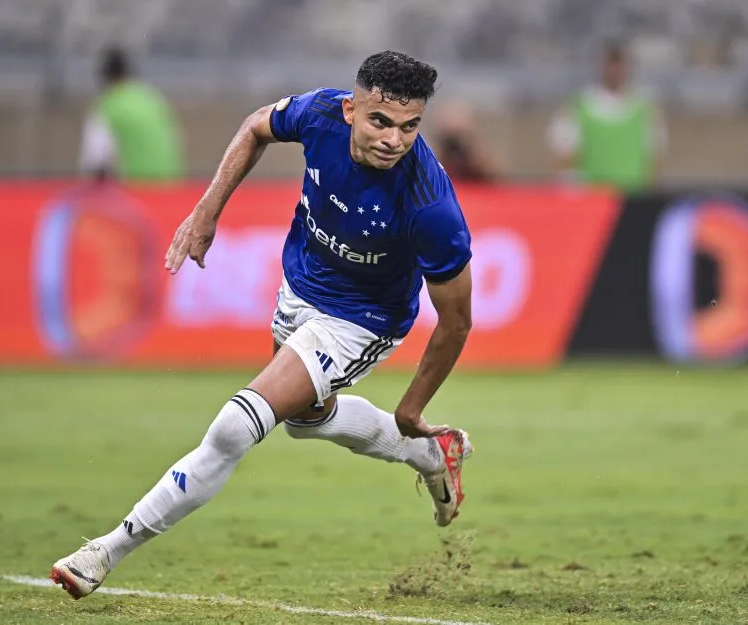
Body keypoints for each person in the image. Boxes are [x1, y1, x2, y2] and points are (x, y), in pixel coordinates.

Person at [51, 50, 475, 599]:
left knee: (235, 426)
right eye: (380, 121)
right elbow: (255, 126)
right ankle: (428, 453)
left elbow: (458, 320)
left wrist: (411, 407)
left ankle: (104, 551)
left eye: (410, 127)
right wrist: (207, 211)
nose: (394, 139)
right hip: (299, 287)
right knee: (306, 419)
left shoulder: (430, 206)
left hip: (361, 319)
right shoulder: (320, 114)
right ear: (351, 110)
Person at [547, 41, 667, 191]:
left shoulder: (645, 109)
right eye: (610, 64)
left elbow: (654, 160)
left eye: (620, 65)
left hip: (633, 200)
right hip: (595, 201)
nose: (615, 71)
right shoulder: (578, 108)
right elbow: (564, 159)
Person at [79, 47, 185, 182]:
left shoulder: (106, 107)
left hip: (135, 194)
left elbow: (94, 163)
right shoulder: (152, 99)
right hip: (174, 192)